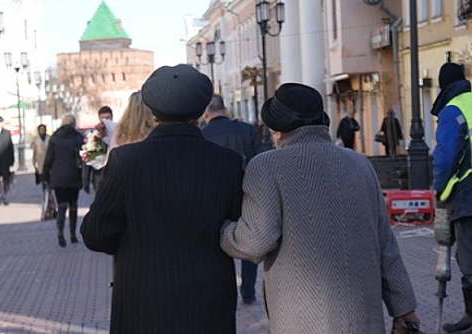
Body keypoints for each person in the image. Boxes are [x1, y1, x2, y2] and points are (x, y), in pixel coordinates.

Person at [220, 82, 420, 333]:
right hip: (364, 319)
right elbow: (385, 243)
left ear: (277, 130)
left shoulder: (267, 166)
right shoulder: (359, 164)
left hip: (302, 319)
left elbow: (255, 242)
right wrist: (404, 309)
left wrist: (224, 231)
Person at [80, 64, 243, 333]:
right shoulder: (228, 162)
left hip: (143, 295)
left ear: (154, 113)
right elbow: (237, 225)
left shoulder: (126, 161)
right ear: (202, 113)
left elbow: (95, 234)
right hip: (208, 294)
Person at [201, 93, 264, 304]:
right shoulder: (246, 130)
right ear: (225, 110)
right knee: (249, 243)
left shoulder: (203, 135)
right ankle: (248, 291)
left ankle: (223, 292)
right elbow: (260, 160)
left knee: (218, 244)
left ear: (206, 113)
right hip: (247, 194)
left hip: (215, 198)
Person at [431, 62, 472, 333]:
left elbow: (446, 158)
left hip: (467, 195)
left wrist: (438, 187)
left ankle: (471, 316)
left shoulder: (453, 110)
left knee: (469, 259)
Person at [42, 113, 84, 247]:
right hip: (73, 175)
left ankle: (60, 232)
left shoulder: (54, 138)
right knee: (73, 205)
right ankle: (72, 234)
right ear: (73, 123)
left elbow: (48, 159)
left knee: (61, 206)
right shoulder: (78, 137)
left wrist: (45, 176)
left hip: (58, 177)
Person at [83, 105, 114, 193]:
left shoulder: (118, 132)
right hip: (99, 175)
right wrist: (86, 179)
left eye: (108, 117)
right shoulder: (94, 135)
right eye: (102, 118)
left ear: (112, 117)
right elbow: (88, 155)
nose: (105, 120)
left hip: (115, 174)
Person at [32, 124, 50, 190]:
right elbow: (34, 151)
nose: (42, 130)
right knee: (42, 177)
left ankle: (48, 191)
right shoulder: (36, 139)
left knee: (48, 177)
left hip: (48, 160)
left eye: (43, 129)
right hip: (40, 161)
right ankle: (44, 192)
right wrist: (34, 162)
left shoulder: (49, 138)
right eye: (40, 129)